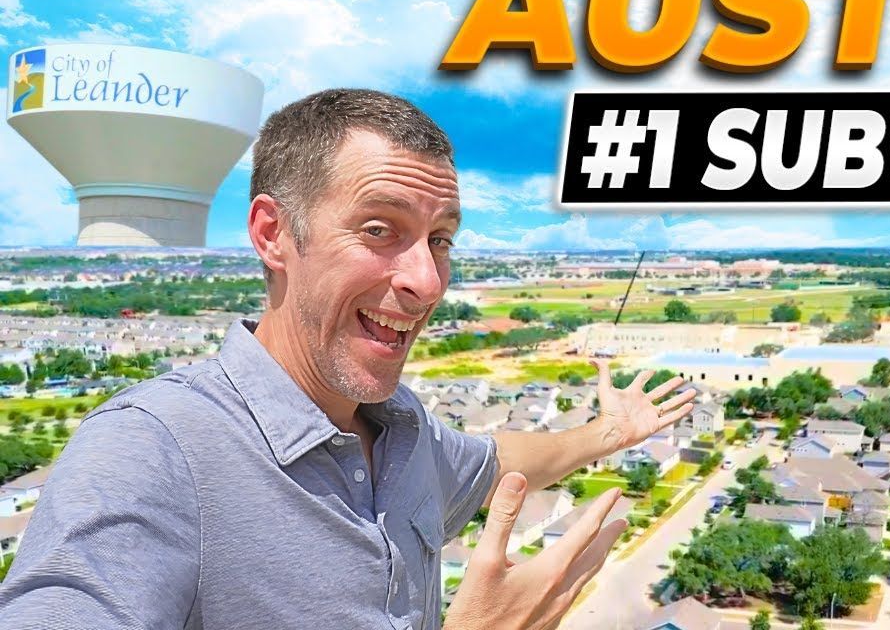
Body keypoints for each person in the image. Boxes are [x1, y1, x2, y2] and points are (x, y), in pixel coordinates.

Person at [0, 89, 696, 629]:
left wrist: (610, 435)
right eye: (379, 230)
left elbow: (496, 463)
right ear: (274, 234)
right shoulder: (149, 454)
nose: (427, 280)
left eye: (441, 239)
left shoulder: (401, 432)